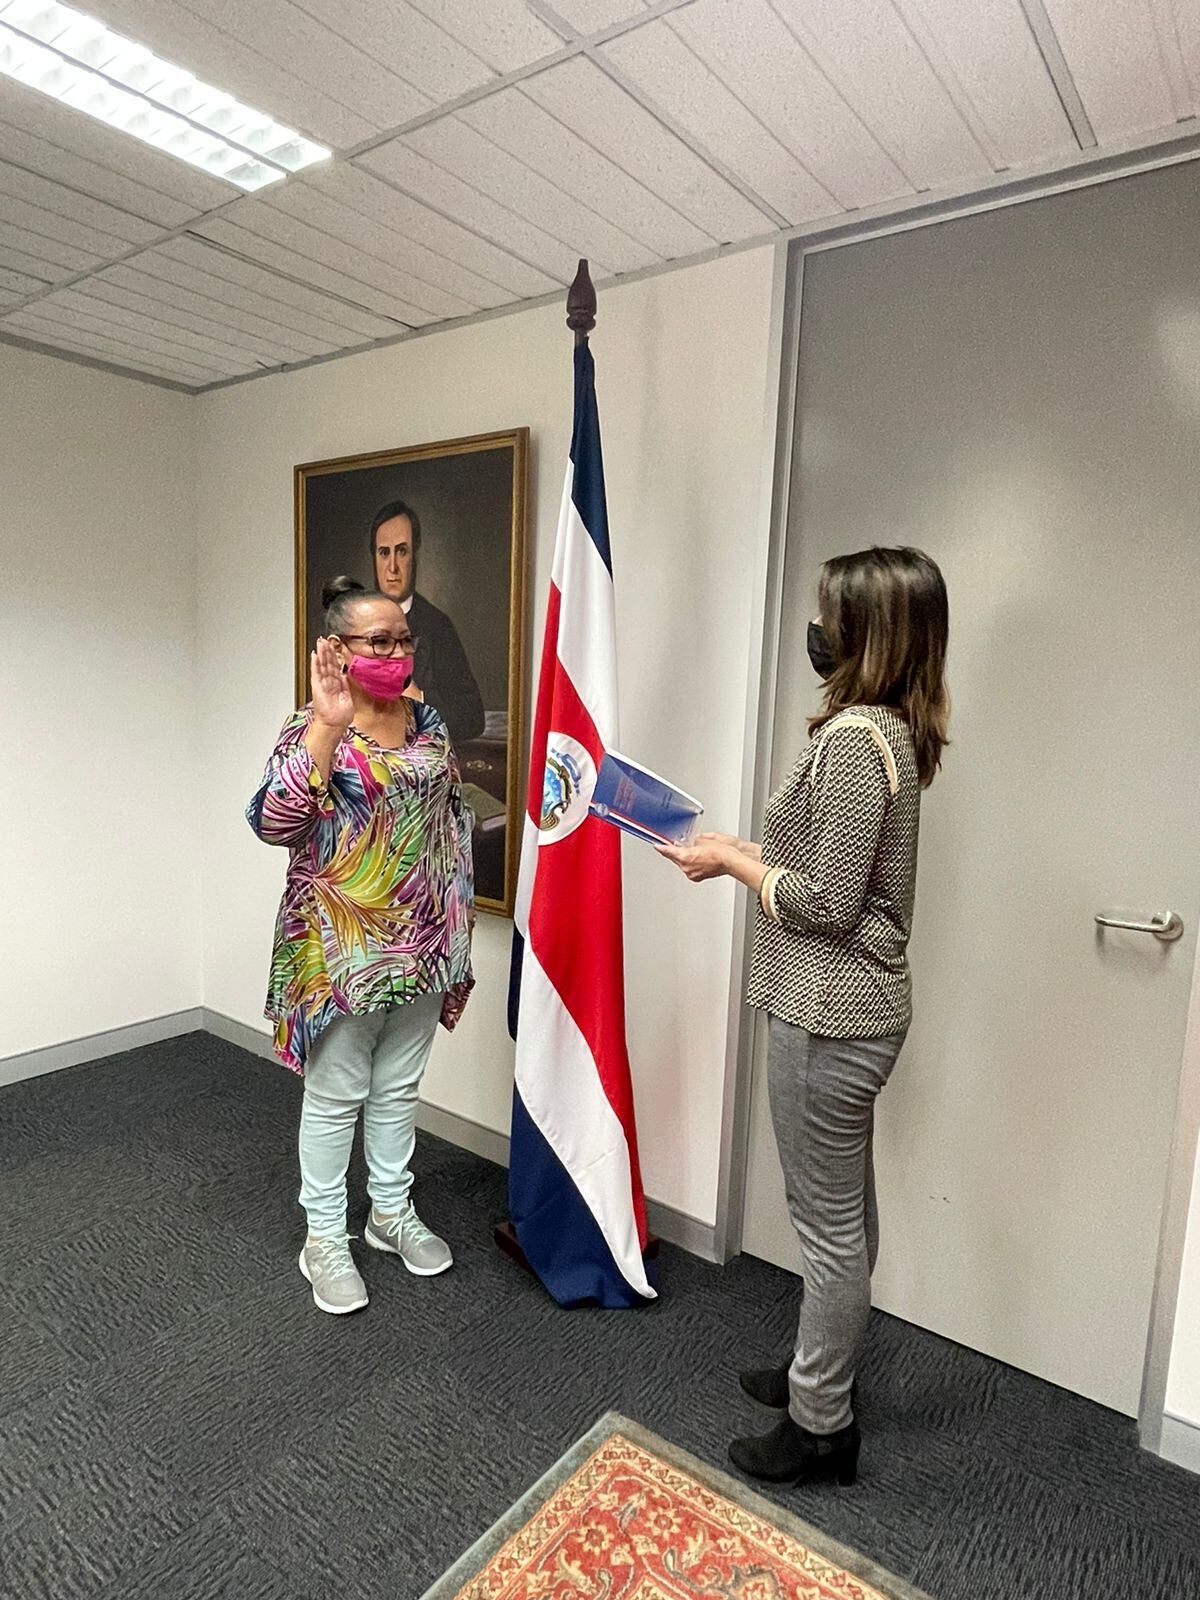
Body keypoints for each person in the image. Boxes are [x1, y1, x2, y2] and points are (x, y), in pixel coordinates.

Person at [660, 546, 949, 1488]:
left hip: (831, 1016)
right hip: (852, 1013)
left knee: (827, 1228)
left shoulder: (858, 739)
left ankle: (822, 1424)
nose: (816, 628)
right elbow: (820, 857)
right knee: (845, 1214)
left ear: (866, 633)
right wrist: (736, 846)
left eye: (829, 614)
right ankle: (817, 1369)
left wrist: (731, 866)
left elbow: (824, 901)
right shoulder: (889, 728)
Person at [247, 577, 475, 1315]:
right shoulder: (313, 727)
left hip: (426, 943)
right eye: (379, 641)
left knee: (399, 1086)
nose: (396, 652)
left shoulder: (428, 721)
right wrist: (327, 724)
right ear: (338, 650)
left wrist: (456, 927)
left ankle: (389, 1213)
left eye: (403, 639)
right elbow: (274, 822)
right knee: (337, 1093)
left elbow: (449, 821)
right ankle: (323, 1236)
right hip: (343, 949)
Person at [371, 500, 486, 745]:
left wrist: (420, 700)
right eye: (384, 553)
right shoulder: (355, 624)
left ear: (415, 554)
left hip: (420, 762)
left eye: (402, 551)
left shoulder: (437, 627)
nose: (393, 567)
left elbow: (472, 717)